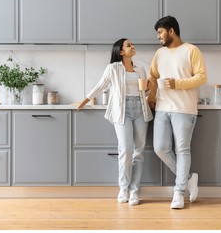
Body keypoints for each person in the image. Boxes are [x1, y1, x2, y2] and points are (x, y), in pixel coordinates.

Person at [77, 38, 153, 206]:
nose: (132, 46)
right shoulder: (113, 68)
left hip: (140, 110)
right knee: (125, 150)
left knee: (138, 153)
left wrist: (148, 88)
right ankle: (123, 188)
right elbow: (101, 85)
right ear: (120, 51)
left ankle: (134, 190)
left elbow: (144, 92)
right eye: (128, 45)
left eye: (132, 44)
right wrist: (85, 100)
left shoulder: (140, 69)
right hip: (122, 111)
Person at [148, 16, 207, 209]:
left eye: (160, 32)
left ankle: (179, 192)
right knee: (160, 148)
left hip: (184, 108)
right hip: (162, 108)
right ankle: (189, 179)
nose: (158, 37)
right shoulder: (159, 53)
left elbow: (202, 77)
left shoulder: (191, 50)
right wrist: (151, 97)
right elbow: (152, 76)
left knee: (183, 150)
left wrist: (177, 83)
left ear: (171, 31)